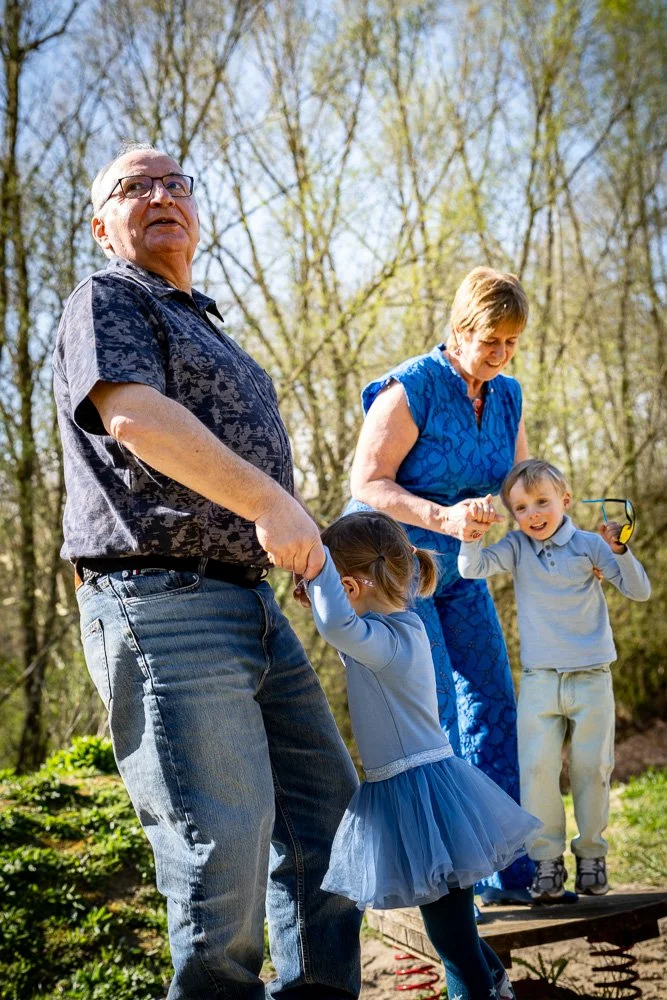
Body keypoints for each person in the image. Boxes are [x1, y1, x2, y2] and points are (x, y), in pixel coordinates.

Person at [52, 141, 362, 999]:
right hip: (161, 602)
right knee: (219, 856)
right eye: (134, 186)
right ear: (101, 224)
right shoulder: (106, 297)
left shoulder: (207, 323)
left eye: (175, 182)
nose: (161, 194)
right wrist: (271, 505)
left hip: (250, 606)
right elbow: (138, 421)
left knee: (326, 825)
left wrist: (301, 539)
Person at [346, 267, 533, 903]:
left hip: (468, 570)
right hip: (401, 574)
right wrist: (442, 517)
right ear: (459, 330)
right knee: (440, 715)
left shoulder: (507, 396)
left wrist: (562, 532)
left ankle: (509, 872)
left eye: (512, 342)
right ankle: (454, 883)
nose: (502, 354)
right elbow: (367, 485)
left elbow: (519, 483)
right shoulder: (413, 387)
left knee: (494, 704)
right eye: (492, 341)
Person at [299, 510, 539, 1000]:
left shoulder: (383, 641)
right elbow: (342, 622)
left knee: (452, 942)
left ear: (350, 585)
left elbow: (336, 626)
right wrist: (325, 581)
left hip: (419, 797)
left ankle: (479, 991)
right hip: (431, 792)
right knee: (457, 934)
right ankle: (494, 987)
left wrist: (317, 567)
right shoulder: (402, 627)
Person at [458, 459, 650, 903]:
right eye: (521, 507)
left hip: (591, 678)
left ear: (564, 501)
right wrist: (470, 537)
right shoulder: (517, 547)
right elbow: (473, 569)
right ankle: (546, 863)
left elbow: (638, 591)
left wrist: (620, 551)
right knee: (538, 772)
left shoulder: (590, 547)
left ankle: (592, 856)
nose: (533, 514)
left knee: (592, 768)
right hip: (541, 681)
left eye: (542, 502)